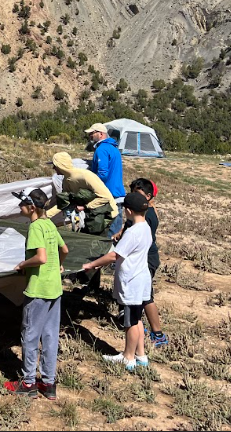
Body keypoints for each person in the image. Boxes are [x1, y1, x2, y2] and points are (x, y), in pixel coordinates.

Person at [5, 189, 68, 400]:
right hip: (54, 288)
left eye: (22, 204)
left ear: (32, 208)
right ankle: (48, 383)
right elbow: (65, 249)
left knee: (30, 335)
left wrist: (23, 264)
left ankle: (29, 382)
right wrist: (59, 265)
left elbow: (41, 258)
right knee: (50, 336)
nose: (19, 206)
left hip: (38, 289)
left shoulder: (35, 227)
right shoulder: (49, 224)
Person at [82, 192, 152, 371]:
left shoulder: (133, 232)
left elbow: (115, 255)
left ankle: (128, 357)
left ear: (128, 211)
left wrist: (92, 264)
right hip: (141, 279)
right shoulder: (146, 227)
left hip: (131, 281)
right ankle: (140, 355)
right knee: (137, 318)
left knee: (130, 322)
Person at [119, 178, 168, 348]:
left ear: (148, 197)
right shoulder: (144, 211)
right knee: (142, 295)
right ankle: (138, 325)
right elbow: (129, 225)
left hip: (146, 258)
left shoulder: (147, 217)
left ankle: (157, 333)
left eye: (137, 194)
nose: (134, 197)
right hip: (144, 256)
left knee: (146, 297)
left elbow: (137, 236)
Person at [46, 152, 117, 237]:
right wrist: (46, 215)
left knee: (97, 242)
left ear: (61, 165)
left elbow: (105, 197)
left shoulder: (85, 176)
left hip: (106, 214)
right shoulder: (66, 180)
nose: (53, 168)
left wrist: (85, 207)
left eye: (55, 165)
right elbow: (64, 202)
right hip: (91, 214)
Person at [85, 123, 126, 234]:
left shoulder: (101, 149)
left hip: (108, 194)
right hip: (117, 194)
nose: (90, 136)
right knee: (116, 230)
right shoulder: (114, 148)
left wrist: (89, 183)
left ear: (101, 134)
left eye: (92, 133)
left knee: (107, 232)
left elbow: (103, 174)